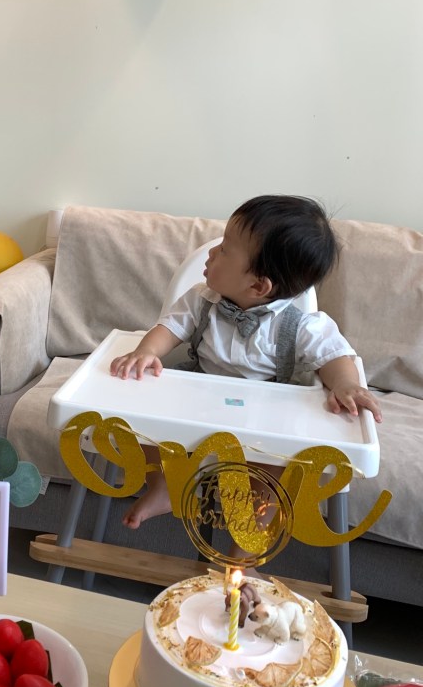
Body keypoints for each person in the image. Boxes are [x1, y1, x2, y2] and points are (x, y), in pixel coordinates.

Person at [110, 195, 382, 535]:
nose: (212, 252)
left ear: (258, 285)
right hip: (197, 397)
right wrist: (147, 351)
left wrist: (345, 385)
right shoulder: (201, 299)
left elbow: (334, 357)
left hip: (265, 416)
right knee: (145, 424)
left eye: (224, 249)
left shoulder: (302, 325)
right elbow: (169, 328)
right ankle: (164, 486)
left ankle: (247, 540)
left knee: (273, 468)